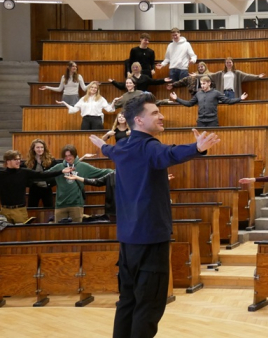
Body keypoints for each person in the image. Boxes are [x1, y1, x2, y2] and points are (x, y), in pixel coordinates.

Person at [88, 92, 220, 338]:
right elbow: (169, 154)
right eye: (155, 113)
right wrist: (197, 148)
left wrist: (101, 146)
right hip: (150, 240)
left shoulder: (122, 147)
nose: (162, 116)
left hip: (127, 241)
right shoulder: (150, 147)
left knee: (127, 301)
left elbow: (109, 151)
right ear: (139, 120)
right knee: (148, 307)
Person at [48, 144, 113, 223]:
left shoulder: (83, 167)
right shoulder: (59, 167)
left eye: (70, 155)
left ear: (75, 155)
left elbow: (102, 172)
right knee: (59, 232)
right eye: (65, 156)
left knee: (76, 231)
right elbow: (43, 175)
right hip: (60, 205)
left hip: (76, 205)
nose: (68, 158)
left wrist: (119, 171)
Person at [0, 149, 68, 224]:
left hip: (19, 210)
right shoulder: (2, 174)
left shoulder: (24, 172)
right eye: (15, 159)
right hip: (4, 210)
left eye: (19, 159)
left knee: (21, 233)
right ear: (8, 161)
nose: (18, 161)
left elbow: (42, 175)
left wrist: (61, 171)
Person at [170, 75, 246, 127]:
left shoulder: (216, 93)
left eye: (204, 83)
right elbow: (189, 104)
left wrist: (240, 98)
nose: (202, 86)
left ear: (209, 83)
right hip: (201, 121)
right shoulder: (198, 94)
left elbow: (228, 101)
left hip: (212, 121)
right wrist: (177, 98)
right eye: (201, 84)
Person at [25, 139, 59, 208]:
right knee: (32, 208)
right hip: (34, 189)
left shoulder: (51, 161)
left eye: (42, 147)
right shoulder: (29, 161)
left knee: (49, 209)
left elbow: (57, 170)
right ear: (33, 149)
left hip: (46, 188)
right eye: (37, 147)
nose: (40, 149)